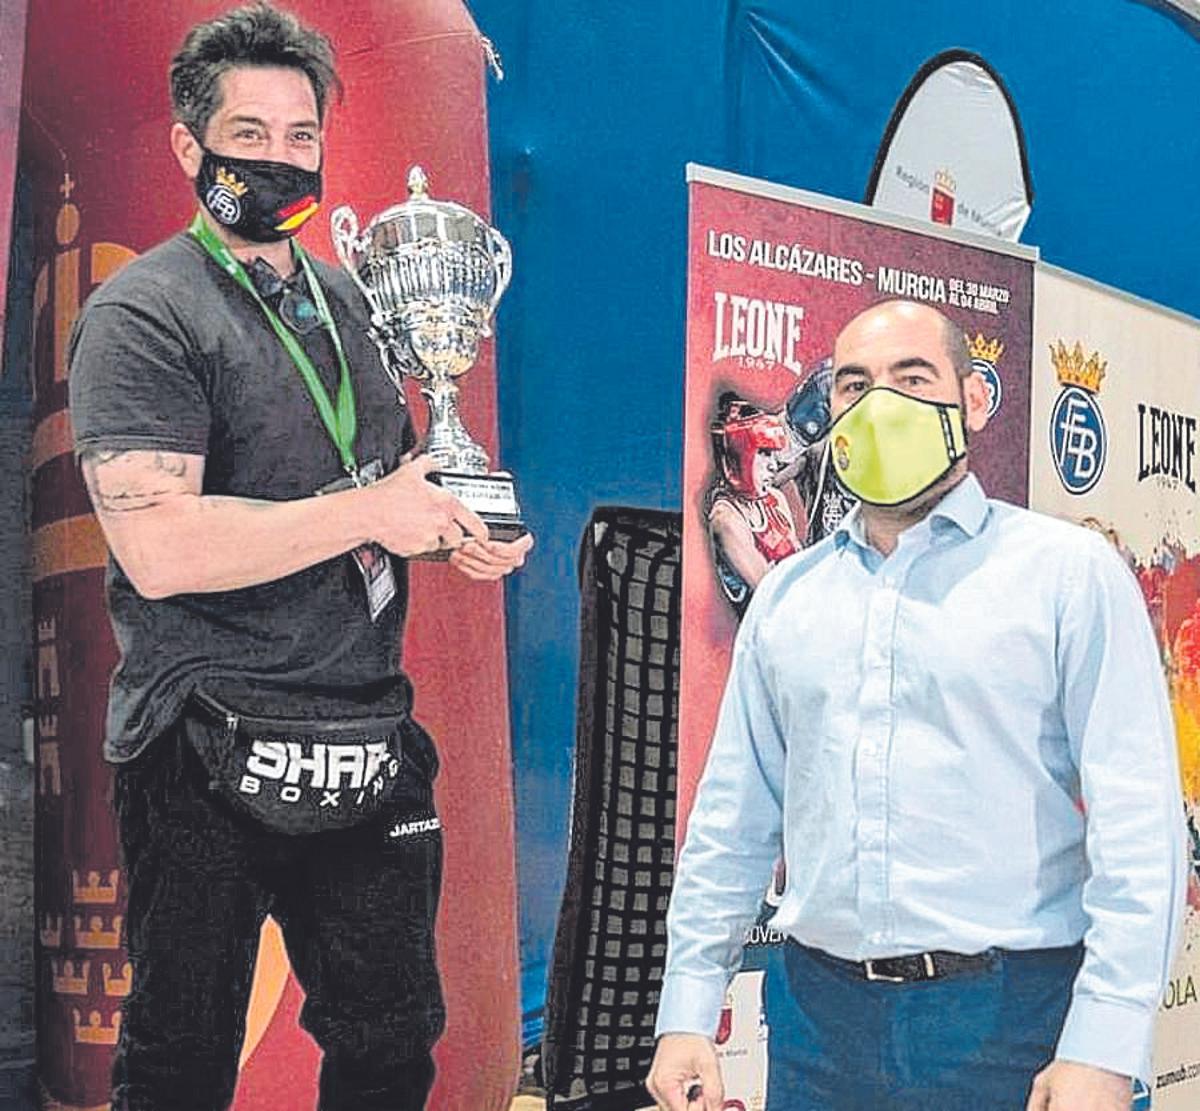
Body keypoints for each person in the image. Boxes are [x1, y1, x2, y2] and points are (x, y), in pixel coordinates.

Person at [67, 5, 532, 1109]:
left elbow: (388, 476)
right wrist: (374, 510)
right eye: (249, 134)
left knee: (392, 1049)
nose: (279, 158)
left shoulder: (355, 300)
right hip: (204, 739)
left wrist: (453, 521)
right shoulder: (143, 314)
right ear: (190, 147)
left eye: (301, 136)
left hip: (364, 732)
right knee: (181, 1063)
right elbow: (159, 545)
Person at [647, 299, 1187, 1111]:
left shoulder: (1066, 575)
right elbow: (734, 816)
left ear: (971, 399)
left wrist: (1106, 1045)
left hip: (1013, 1023)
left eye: (912, 378)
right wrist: (688, 1006)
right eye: (854, 385)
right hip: (820, 1028)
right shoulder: (790, 596)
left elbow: (1138, 824)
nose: (880, 405)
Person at [705, 393, 800, 617]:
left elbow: (799, 564)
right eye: (764, 454)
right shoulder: (726, 520)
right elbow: (773, 595)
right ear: (739, 455)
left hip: (798, 622)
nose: (773, 466)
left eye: (773, 455)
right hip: (768, 630)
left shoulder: (775, 499)